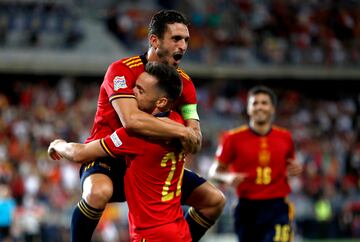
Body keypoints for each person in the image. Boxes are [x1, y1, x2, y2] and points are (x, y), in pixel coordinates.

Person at [70, 9, 225, 242]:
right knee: (98, 192)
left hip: (149, 164)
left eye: (186, 40)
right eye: (176, 39)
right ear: (154, 40)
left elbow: (195, 139)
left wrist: (190, 134)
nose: (183, 46)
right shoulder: (122, 70)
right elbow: (131, 121)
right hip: (107, 155)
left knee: (215, 201)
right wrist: (182, 131)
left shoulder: (185, 85)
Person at [49, 62, 191, 241]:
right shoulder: (180, 123)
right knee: (213, 201)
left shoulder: (135, 136)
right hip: (180, 231)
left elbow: (80, 153)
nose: (132, 93)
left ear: (161, 102)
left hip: (151, 232)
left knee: (97, 192)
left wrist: (58, 144)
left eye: (140, 90)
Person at [209, 85, 303, 242]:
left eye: (264, 103)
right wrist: (227, 177)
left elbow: (290, 165)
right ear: (248, 109)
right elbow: (214, 171)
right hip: (247, 208)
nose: (259, 107)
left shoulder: (285, 137)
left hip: (277, 207)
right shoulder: (232, 138)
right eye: (255, 103)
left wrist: (295, 168)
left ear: (272, 108)